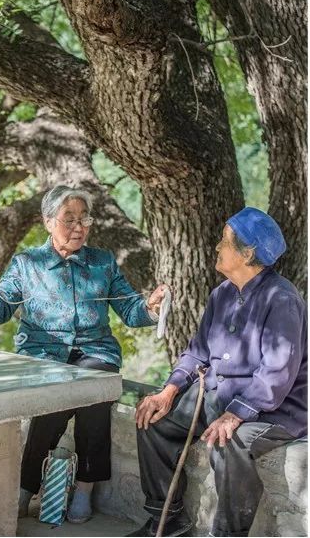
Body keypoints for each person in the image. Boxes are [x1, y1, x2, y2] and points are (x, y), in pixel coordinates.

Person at [0, 185, 167, 524]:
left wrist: (150, 306)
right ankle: (27, 487)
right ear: (47, 221)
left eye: (84, 219)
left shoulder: (102, 262)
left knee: (95, 398)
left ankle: (84, 488)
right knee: (53, 402)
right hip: (44, 353)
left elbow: (131, 310)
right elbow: (1, 308)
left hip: (94, 350)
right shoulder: (27, 263)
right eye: (69, 219)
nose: (78, 227)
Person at [129, 207, 307, 537]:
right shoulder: (221, 294)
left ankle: (226, 534)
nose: (217, 247)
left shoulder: (281, 298)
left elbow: (276, 373)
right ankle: (168, 520)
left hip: (274, 409)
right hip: (221, 395)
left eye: (224, 241)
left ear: (248, 253)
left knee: (233, 442)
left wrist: (235, 414)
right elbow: (197, 352)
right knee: (151, 419)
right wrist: (169, 390)